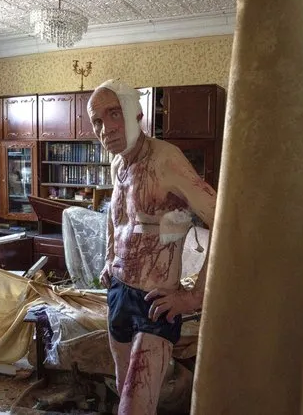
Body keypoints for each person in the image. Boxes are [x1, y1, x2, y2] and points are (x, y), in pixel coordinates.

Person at [87, 79, 217, 414]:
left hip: (154, 302)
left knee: (134, 406)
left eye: (114, 114)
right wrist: (108, 260)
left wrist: (193, 296)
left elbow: (225, 224)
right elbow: (116, 219)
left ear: (135, 113)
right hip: (118, 293)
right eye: (97, 121)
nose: (106, 128)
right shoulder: (118, 164)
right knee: (123, 388)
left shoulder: (166, 159)